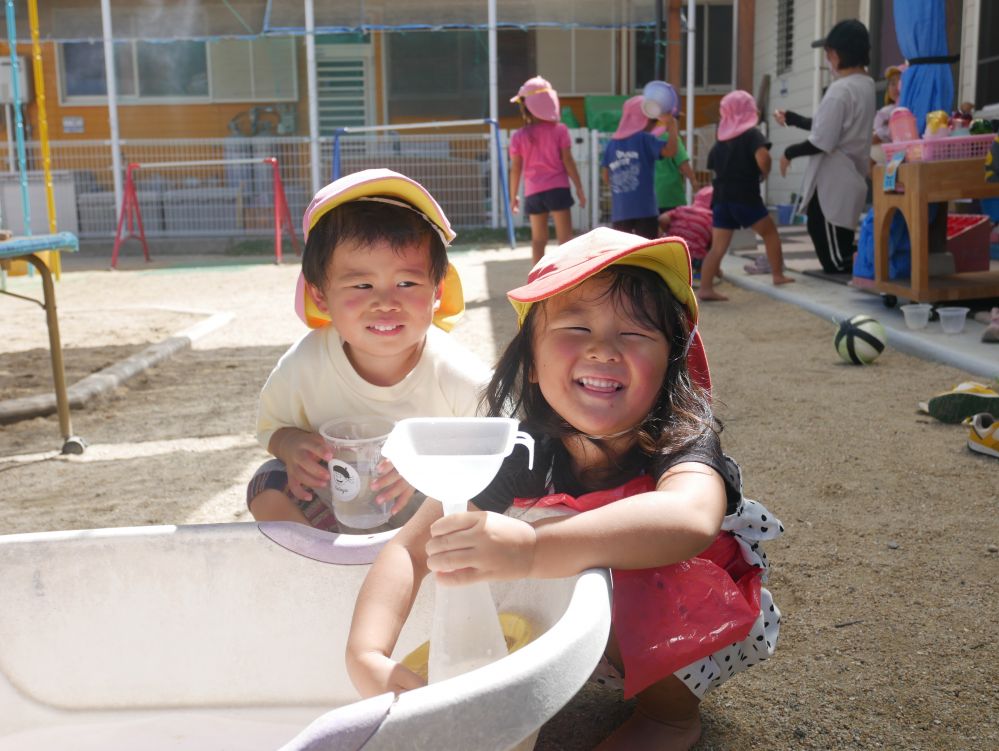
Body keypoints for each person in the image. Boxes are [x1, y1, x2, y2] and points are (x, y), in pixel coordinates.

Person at [346, 227, 782, 751]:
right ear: (530, 363)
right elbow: (410, 547)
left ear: (669, 365)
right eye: (576, 327)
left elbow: (688, 520)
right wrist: (367, 653)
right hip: (600, 621)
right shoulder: (520, 449)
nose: (602, 350)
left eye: (635, 334)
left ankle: (669, 716)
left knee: (609, 557)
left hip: (696, 616)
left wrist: (532, 548)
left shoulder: (680, 439)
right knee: (478, 547)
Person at [247, 168, 491, 532]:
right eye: (361, 284)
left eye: (407, 282)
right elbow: (272, 427)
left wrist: (430, 471)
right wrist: (291, 445)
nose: (385, 302)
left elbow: (493, 449)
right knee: (267, 483)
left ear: (437, 292)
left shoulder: (458, 374)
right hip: (337, 509)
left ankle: (404, 568)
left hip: (425, 523)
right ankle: (324, 563)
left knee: (479, 499)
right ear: (320, 295)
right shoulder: (305, 364)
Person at [776, 19, 876, 274]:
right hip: (850, 173)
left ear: (840, 53)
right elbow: (828, 126)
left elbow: (822, 141)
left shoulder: (840, 90)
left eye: (830, 52)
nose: (828, 58)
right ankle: (868, 261)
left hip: (834, 177)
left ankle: (867, 267)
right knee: (837, 238)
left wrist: (789, 153)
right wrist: (794, 119)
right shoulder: (866, 85)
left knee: (834, 256)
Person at [698, 90, 795, 301]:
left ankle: (705, 288)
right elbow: (764, 157)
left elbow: (714, 167)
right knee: (769, 233)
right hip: (745, 197)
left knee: (718, 247)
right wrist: (764, 171)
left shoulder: (719, 144)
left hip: (721, 200)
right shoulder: (752, 135)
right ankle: (778, 275)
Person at [508, 76, 587, 265]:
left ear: (526, 106)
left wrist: (513, 197)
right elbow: (568, 160)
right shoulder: (560, 130)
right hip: (558, 189)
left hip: (533, 192)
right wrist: (579, 188)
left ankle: (537, 284)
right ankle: (567, 280)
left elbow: (516, 168)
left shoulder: (519, 136)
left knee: (538, 240)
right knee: (565, 240)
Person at [602, 95, 680, 239]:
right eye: (652, 120)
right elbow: (671, 151)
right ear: (642, 119)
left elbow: (606, 176)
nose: (653, 125)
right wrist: (672, 126)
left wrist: (622, 189)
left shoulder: (611, 144)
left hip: (620, 211)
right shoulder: (645, 139)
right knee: (647, 253)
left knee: (622, 254)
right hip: (645, 210)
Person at [655, 135, 698, 216]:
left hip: (650, 197)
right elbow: (683, 164)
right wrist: (694, 183)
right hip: (671, 196)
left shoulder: (645, 137)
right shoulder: (671, 138)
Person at [872, 64, 904, 146]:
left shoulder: (911, 110)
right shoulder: (886, 111)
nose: (896, 88)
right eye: (892, 83)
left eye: (900, 83)